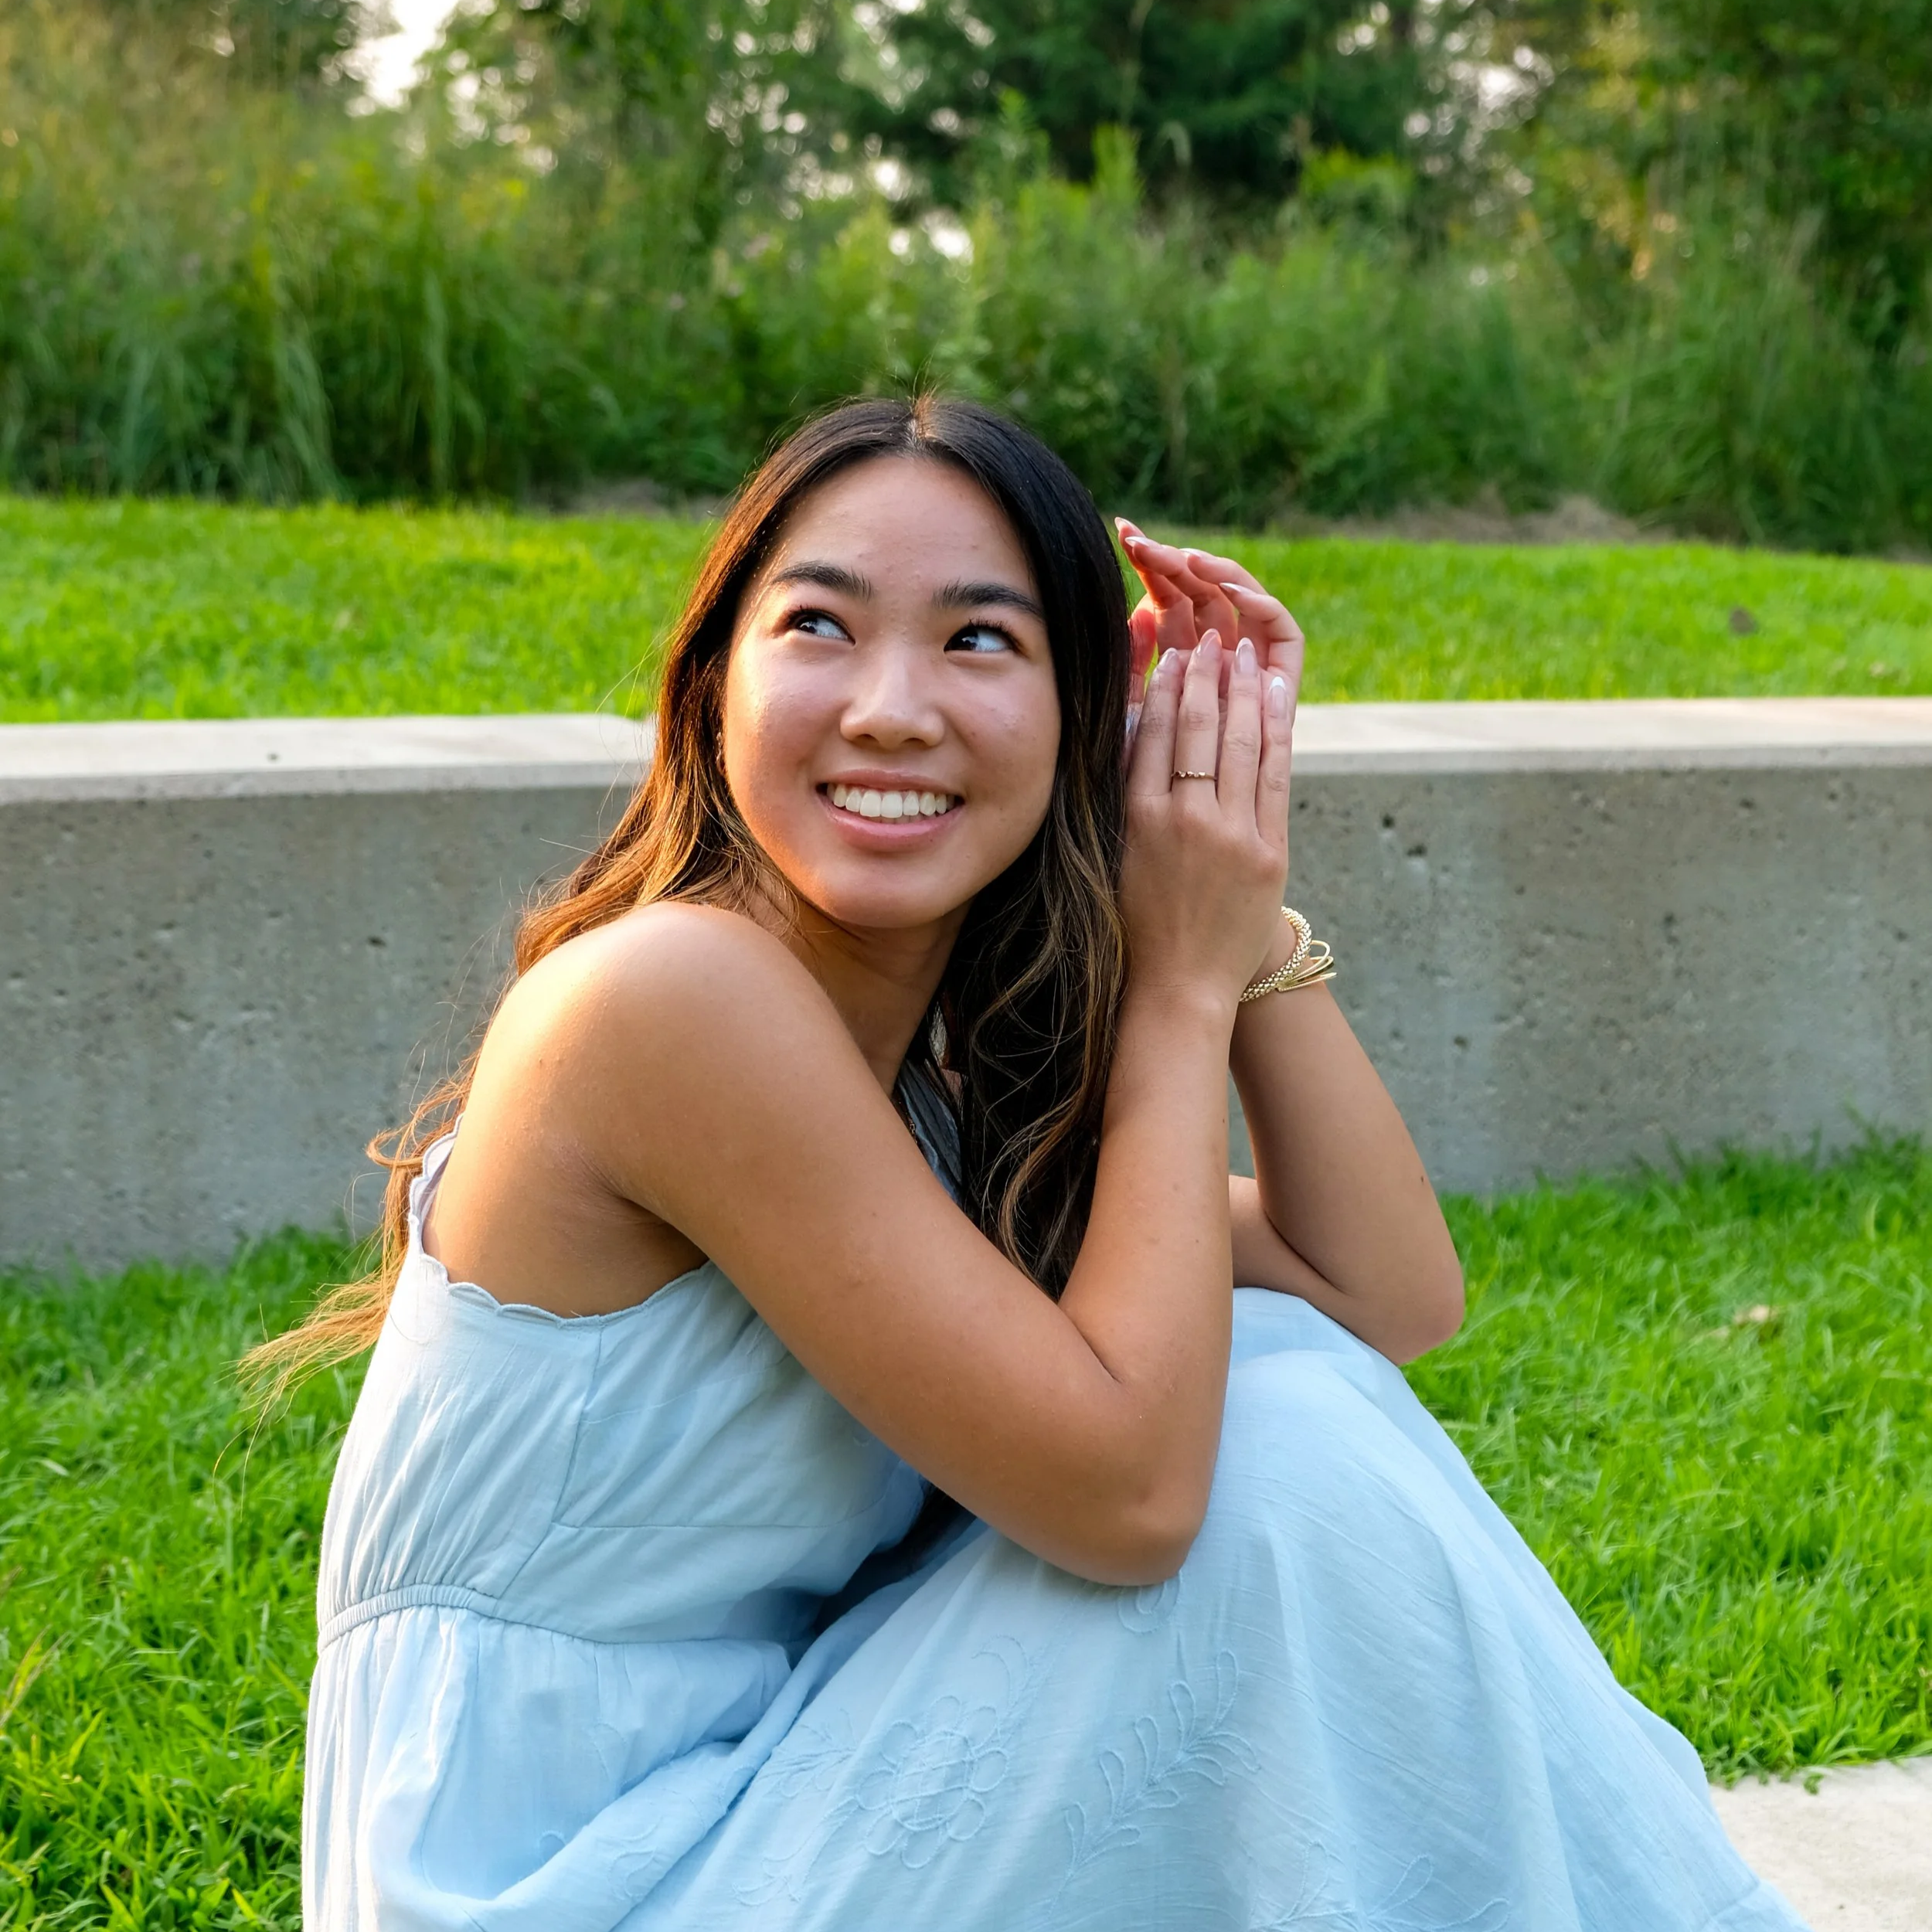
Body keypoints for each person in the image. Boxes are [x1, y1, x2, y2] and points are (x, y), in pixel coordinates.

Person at [257, 396, 1807, 1930]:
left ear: (1084, 721)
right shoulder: (672, 997)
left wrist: (1230, 893)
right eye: (818, 624)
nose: (887, 707)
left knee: (1288, 1385)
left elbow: (1377, 1289)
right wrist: (1179, 994)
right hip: (563, 1882)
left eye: (978, 641)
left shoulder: (913, 1105)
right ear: (712, 677)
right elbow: (1130, 1497)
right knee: (1279, 1481)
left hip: (741, 1799)